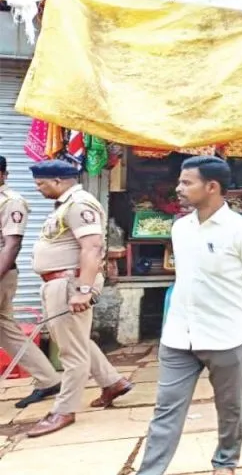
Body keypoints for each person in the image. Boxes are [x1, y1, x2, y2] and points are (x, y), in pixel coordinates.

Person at [136, 156, 242, 475]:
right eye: (180, 182)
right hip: (178, 334)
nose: (179, 188)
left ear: (212, 187)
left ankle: (225, 462)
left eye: (187, 182)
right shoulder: (180, 228)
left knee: (229, 407)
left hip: (226, 334)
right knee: (166, 409)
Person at [26, 160, 134, 438]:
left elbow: (92, 247)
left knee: (70, 353)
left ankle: (64, 409)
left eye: (42, 184)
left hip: (68, 283)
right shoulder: (67, 204)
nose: (38, 189)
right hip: (60, 282)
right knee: (76, 340)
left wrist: (83, 289)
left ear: (59, 180)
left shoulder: (78, 204)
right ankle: (113, 382)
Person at [0, 156, 62, 409]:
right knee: (6, 330)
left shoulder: (11, 202)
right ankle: (48, 379)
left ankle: (48, 379)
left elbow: (12, 244)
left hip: (2, 273)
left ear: (3, 174)